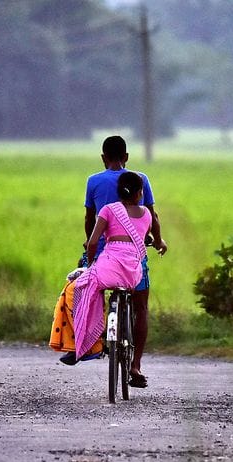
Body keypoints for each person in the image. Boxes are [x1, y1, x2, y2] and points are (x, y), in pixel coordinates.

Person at [80, 135, 167, 387]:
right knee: (141, 308)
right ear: (126, 157)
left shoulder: (94, 181)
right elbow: (153, 215)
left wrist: (90, 247)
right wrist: (158, 241)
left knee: (91, 291)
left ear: (103, 158)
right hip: (134, 258)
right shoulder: (141, 180)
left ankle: (90, 342)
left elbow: (89, 219)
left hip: (104, 256)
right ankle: (136, 366)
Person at [64, 171, 153, 384]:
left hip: (107, 268)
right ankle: (135, 365)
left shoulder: (108, 210)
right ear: (140, 193)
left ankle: (86, 340)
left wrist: (90, 262)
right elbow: (144, 235)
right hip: (133, 273)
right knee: (141, 308)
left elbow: (93, 242)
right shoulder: (146, 215)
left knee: (84, 288)